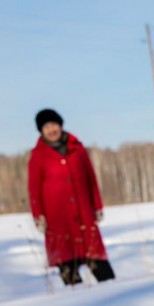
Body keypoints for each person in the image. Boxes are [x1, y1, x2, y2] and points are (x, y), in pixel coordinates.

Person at [26, 108, 115, 286]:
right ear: (41, 131)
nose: (52, 130)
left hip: (84, 214)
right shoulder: (38, 156)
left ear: (60, 125)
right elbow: (33, 189)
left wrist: (97, 205)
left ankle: (112, 293)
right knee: (68, 268)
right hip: (57, 219)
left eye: (54, 125)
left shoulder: (78, 149)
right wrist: (38, 215)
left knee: (100, 265)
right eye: (47, 127)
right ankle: (76, 302)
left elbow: (91, 179)